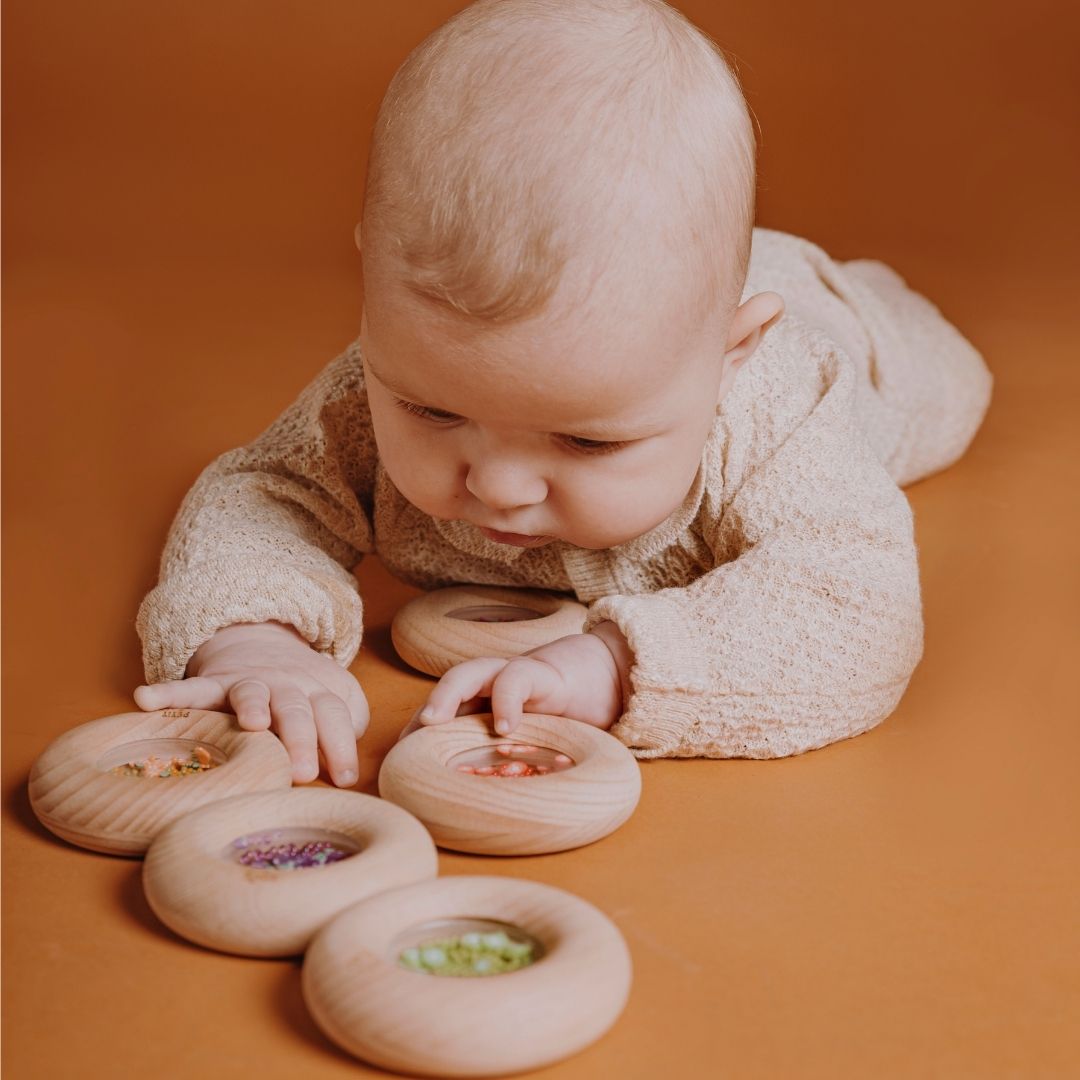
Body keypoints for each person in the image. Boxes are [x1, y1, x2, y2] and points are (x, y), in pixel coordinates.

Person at [133, 0, 992, 787]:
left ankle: (861, 295)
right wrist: (253, 634)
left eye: (588, 442)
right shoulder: (389, 370)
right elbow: (262, 494)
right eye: (435, 412)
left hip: (834, 325)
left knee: (952, 385)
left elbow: (853, 611)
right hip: (655, 309)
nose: (499, 486)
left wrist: (620, 665)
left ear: (730, 357)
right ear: (374, 293)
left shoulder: (780, 407)